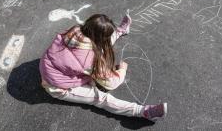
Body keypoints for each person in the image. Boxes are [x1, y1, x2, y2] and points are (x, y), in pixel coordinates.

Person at [39, 12, 167, 121]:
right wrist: (123, 69)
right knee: (100, 98)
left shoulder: (76, 30)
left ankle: (121, 31)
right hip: (57, 86)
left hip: (55, 68)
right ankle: (142, 111)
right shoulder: (88, 60)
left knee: (101, 48)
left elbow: (99, 44)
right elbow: (111, 83)